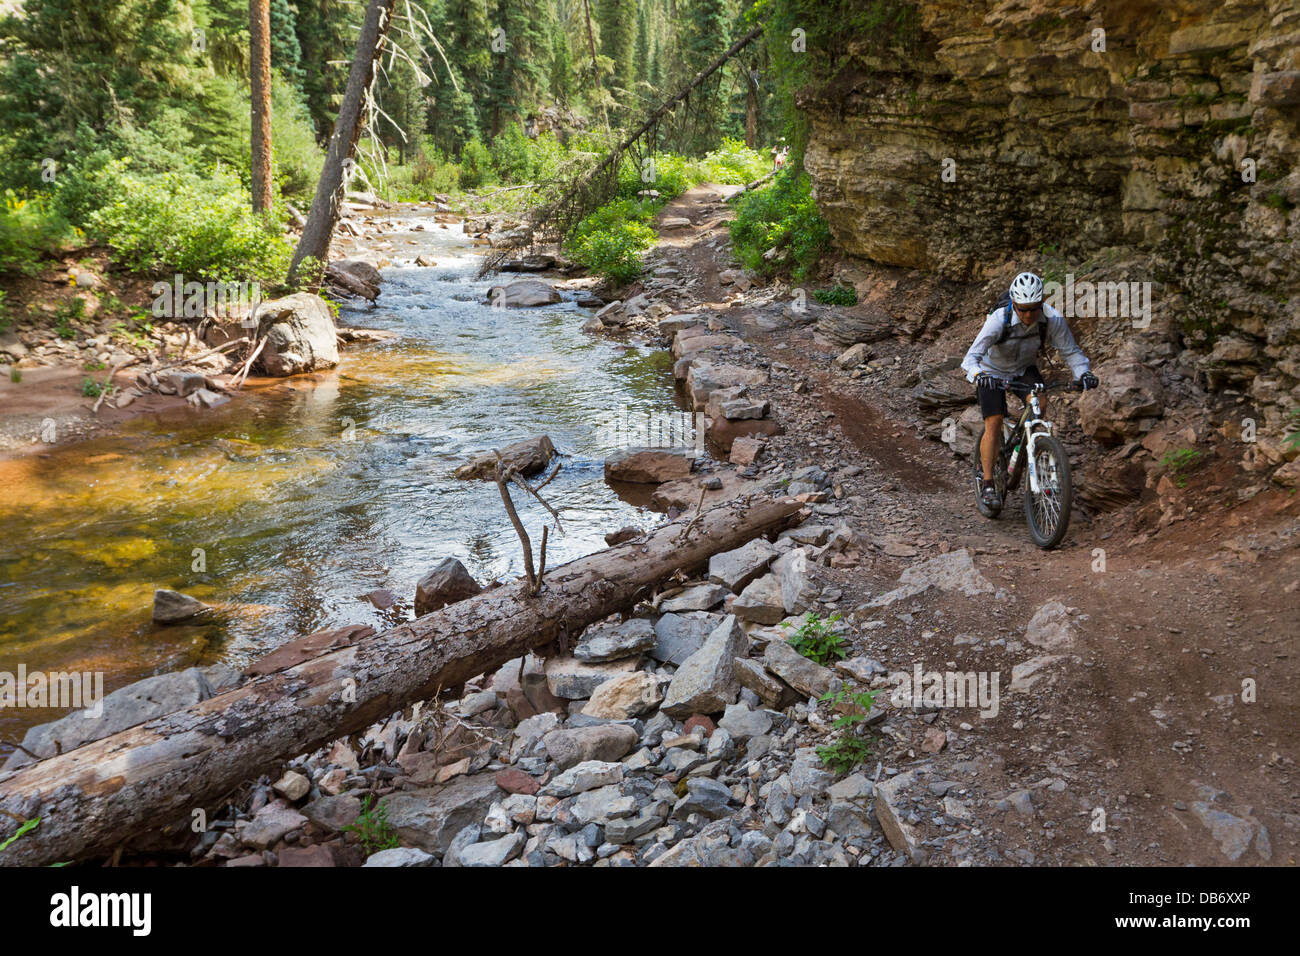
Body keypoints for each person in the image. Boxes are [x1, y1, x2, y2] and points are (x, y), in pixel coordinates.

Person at [961, 271, 1098, 511]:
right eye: (1022, 309)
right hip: (991, 371)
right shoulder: (998, 320)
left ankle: (1030, 449)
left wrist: (1082, 373)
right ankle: (988, 483)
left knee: (1040, 405)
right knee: (993, 421)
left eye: (1033, 309)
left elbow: (1071, 351)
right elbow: (971, 357)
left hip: (1023, 369)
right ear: (1014, 303)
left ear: (1041, 303)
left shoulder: (1052, 319)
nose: (1027, 315)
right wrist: (979, 376)